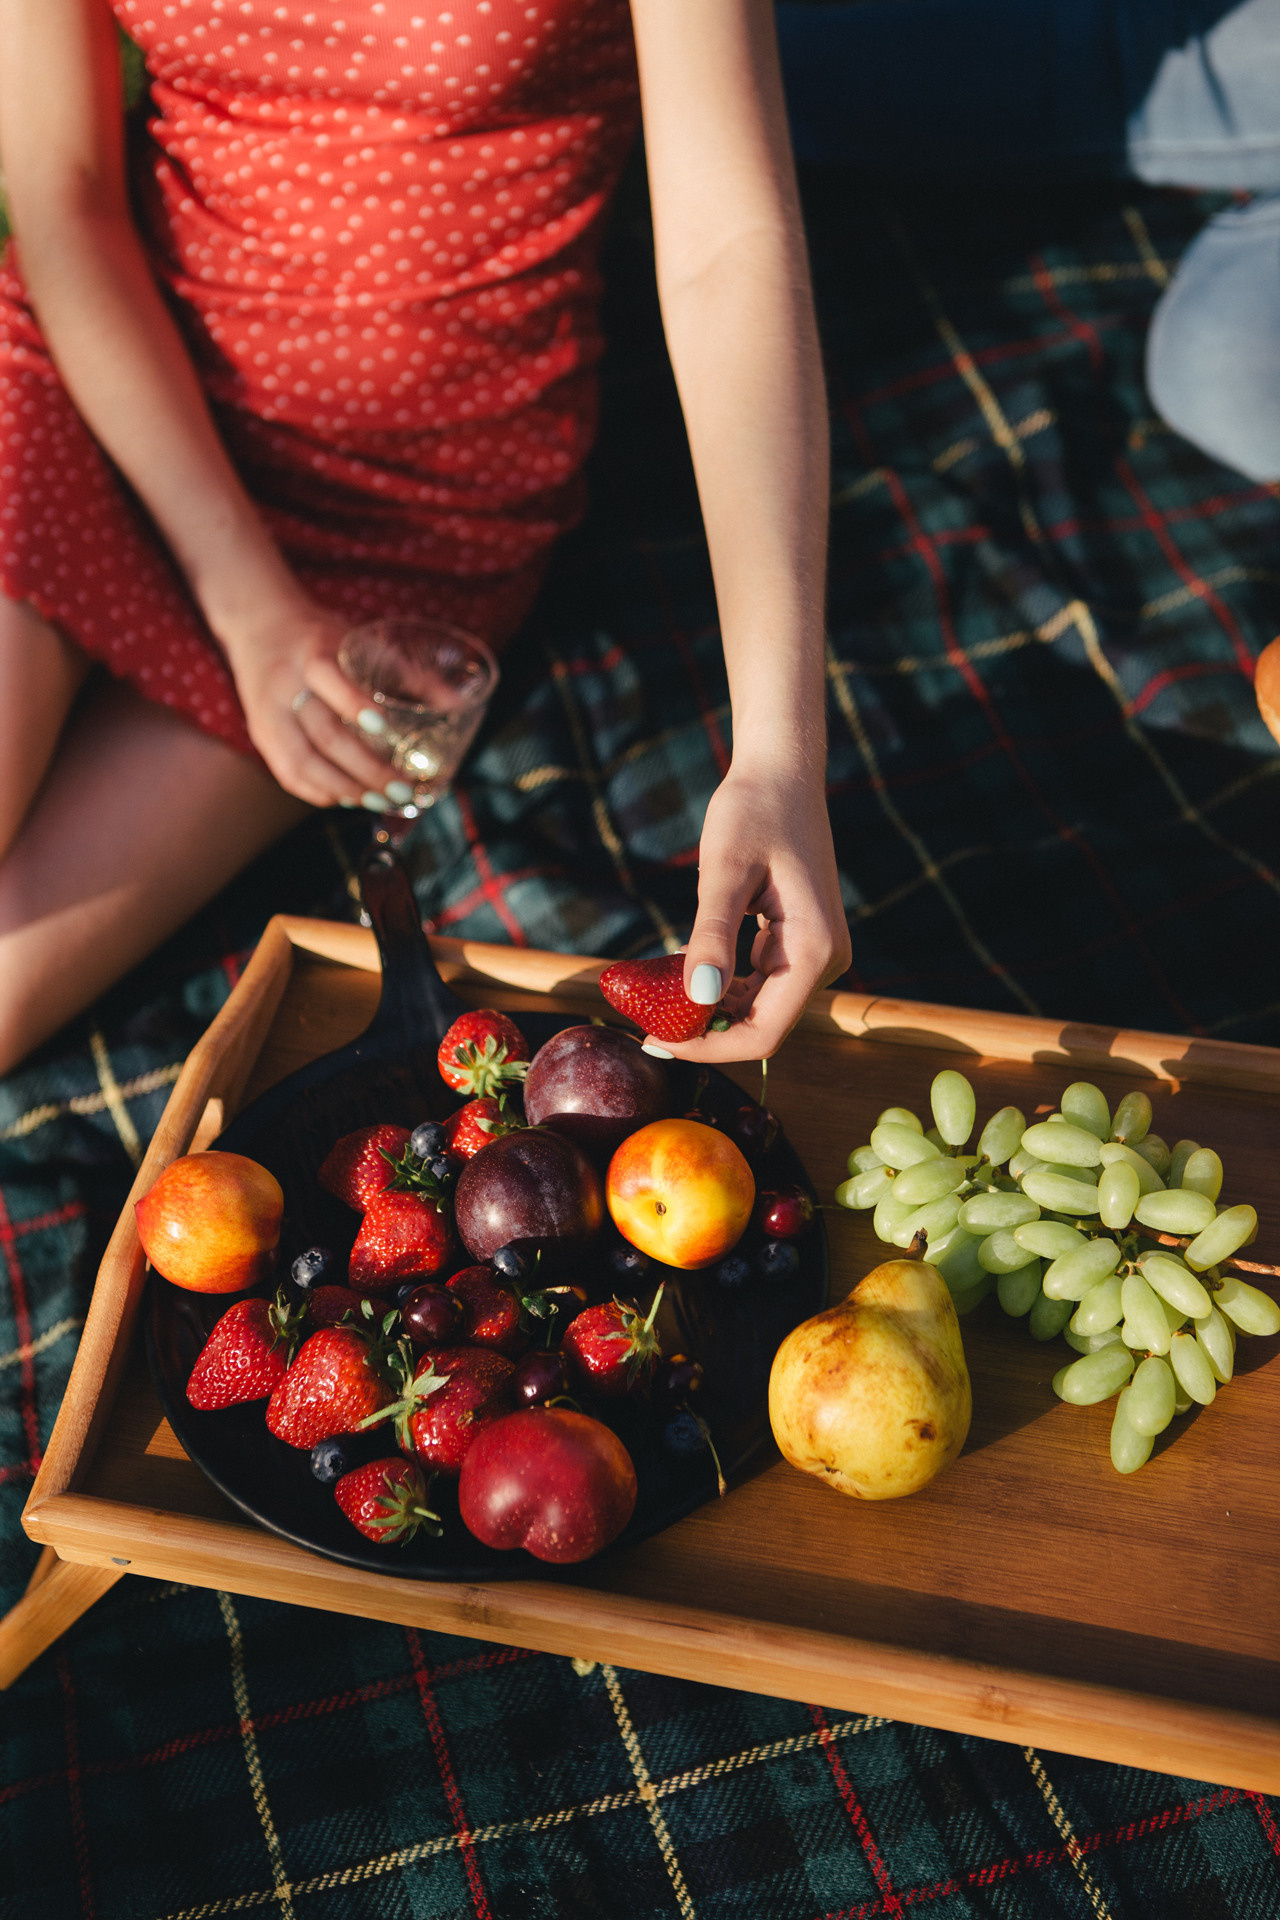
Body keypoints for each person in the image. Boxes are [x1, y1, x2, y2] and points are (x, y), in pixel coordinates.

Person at [0, 0, 851, 1078]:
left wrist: (777, 753)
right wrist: (244, 599)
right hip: (101, 386)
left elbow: (726, 246)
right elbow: (64, 196)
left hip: (404, 514)